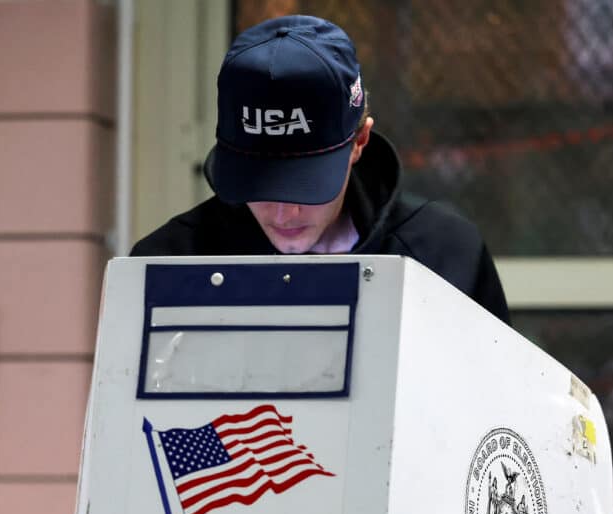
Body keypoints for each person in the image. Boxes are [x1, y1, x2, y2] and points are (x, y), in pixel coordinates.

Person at [130, 15, 511, 325]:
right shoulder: (168, 264)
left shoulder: (443, 257)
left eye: (306, 187)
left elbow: (499, 406)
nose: (284, 213)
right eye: (258, 184)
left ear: (359, 141)